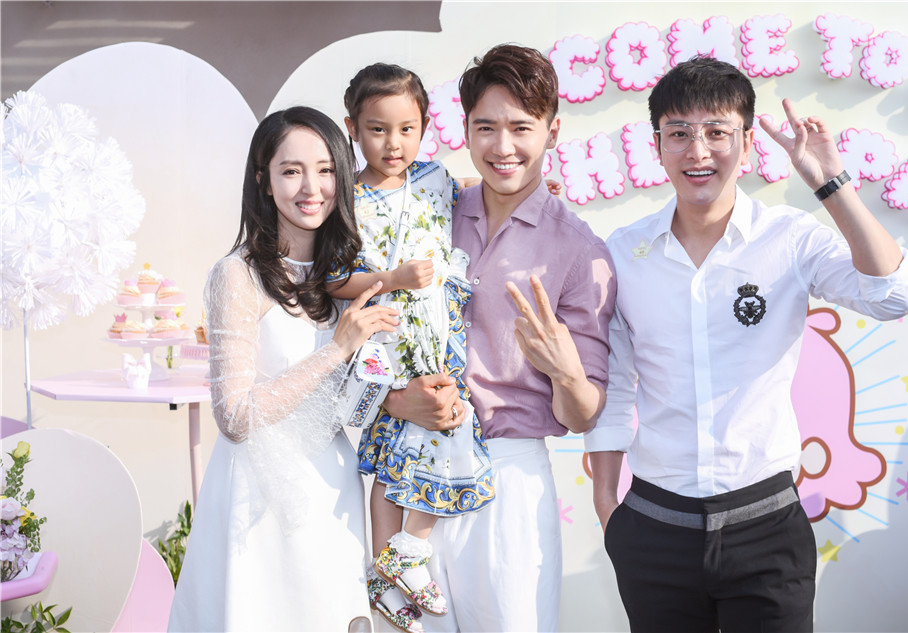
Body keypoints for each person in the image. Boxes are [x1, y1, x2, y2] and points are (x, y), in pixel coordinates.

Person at [585, 57, 908, 632]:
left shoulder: (789, 239)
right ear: (657, 146)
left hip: (766, 526)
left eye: (717, 132)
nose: (698, 151)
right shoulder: (623, 251)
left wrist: (830, 184)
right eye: (679, 133)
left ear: (746, 145)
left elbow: (894, 296)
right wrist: (607, 509)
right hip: (653, 526)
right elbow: (614, 384)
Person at [382, 44, 617, 632]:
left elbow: (584, 414)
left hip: (507, 482)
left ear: (553, 131)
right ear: (464, 130)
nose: (502, 146)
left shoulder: (579, 250)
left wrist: (564, 370)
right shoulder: (429, 212)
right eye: (486, 127)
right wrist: (395, 400)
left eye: (521, 128)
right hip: (410, 472)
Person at [168, 106, 399, 632]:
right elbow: (235, 417)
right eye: (291, 171)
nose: (311, 188)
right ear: (263, 180)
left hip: (334, 489)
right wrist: (336, 349)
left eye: (325, 170)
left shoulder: (347, 278)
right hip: (259, 501)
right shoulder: (237, 275)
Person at [329, 63, 495, 633]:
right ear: (352, 128)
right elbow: (333, 279)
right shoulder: (345, 198)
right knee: (416, 439)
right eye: (378, 129)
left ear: (425, 125)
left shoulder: (434, 177)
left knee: (422, 440)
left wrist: (527, 189)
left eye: (407, 129)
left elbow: (469, 189)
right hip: (387, 342)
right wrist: (393, 278)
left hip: (438, 332)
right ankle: (401, 555)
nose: (393, 143)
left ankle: (392, 565)